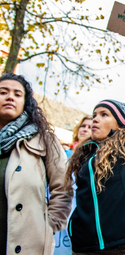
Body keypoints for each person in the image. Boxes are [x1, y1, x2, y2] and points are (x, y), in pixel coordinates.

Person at [64, 34, 125, 254]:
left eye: (104, 114)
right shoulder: (84, 155)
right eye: (94, 114)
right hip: (84, 245)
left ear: (121, 124)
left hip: (121, 243)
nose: (95, 119)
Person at [0, 73, 73, 254]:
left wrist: (48, 228)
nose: (10, 97)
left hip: (27, 245)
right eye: (3, 92)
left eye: (17, 94)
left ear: (26, 102)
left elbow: (63, 188)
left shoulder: (44, 140)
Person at [53, 117, 92, 255]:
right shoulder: (63, 154)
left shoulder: (95, 159)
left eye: (89, 127)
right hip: (62, 206)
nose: (85, 129)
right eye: (83, 126)